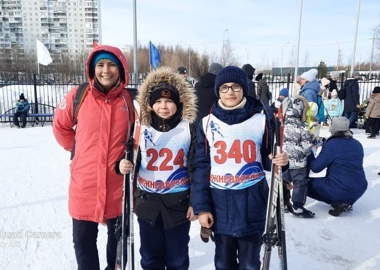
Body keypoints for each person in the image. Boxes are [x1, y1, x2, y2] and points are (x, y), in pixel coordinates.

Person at [192, 66, 289, 269]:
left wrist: (281, 162)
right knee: (223, 263)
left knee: (250, 264)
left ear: (244, 88)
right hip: (221, 205)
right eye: (225, 87)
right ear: (218, 91)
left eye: (235, 86)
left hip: (252, 205)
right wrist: (202, 208)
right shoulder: (207, 123)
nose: (230, 92)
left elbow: (268, 159)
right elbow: (201, 167)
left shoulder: (260, 121)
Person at [52, 45, 134, 270]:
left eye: (111, 65)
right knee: (83, 243)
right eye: (100, 65)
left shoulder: (129, 101)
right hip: (84, 185)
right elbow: (61, 127)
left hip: (118, 187)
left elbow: (138, 135)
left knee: (118, 246)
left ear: (121, 69)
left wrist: (126, 160)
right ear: (92, 69)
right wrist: (79, 153)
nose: (105, 70)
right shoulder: (79, 96)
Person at [118, 66, 197, 270]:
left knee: (177, 258)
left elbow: (197, 167)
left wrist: (196, 202)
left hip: (178, 202)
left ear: (178, 103)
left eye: (169, 101)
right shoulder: (139, 127)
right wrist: (121, 165)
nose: (163, 106)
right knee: (150, 257)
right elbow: (125, 156)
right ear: (150, 105)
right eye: (158, 101)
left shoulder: (188, 128)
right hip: (147, 202)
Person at [307, 117, 368, 217]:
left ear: (333, 128)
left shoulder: (332, 145)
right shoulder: (357, 144)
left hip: (339, 189)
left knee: (304, 184)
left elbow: (316, 168)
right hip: (360, 188)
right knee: (341, 180)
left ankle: (339, 201)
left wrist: (309, 152)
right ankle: (344, 202)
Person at [281, 96, 315, 218]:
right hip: (298, 162)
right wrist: (301, 153)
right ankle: (297, 205)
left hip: (283, 161)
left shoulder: (280, 124)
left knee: (283, 182)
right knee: (299, 183)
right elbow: (307, 146)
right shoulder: (302, 126)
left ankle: (284, 203)